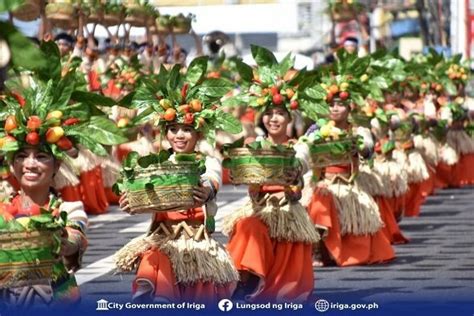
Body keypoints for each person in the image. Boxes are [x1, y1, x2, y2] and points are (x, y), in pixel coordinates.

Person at [114, 60, 242, 303]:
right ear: (165, 132)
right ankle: (151, 292)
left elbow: (212, 182)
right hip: (162, 238)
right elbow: (145, 195)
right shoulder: (155, 163)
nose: (179, 135)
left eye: (186, 129)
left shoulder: (208, 162)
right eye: (173, 129)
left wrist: (206, 193)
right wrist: (132, 202)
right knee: (154, 255)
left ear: (198, 133)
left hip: (196, 242)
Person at [307, 96, 395, 267]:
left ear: (350, 107)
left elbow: (368, 147)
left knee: (356, 225)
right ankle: (316, 249)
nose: (335, 108)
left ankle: (340, 251)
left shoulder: (358, 131)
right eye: (331, 105)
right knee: (317, 199)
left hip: (348, 184)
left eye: (340, 105)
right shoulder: (316, 130)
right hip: (321, 182)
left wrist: (361, 146)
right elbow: (303, 149)